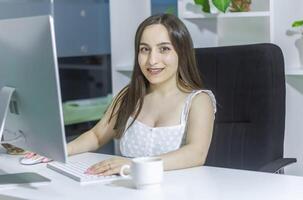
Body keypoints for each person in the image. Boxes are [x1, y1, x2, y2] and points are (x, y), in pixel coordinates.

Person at [26, 13, 216, 176]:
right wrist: (58, 151)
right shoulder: (129, 96)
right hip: (128, 189)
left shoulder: (199, 101)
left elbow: (195, 154)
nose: (152, 60)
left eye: (164, 49)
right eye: (144, 49)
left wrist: (134, 165)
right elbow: (97, 136)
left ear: (182, 54)